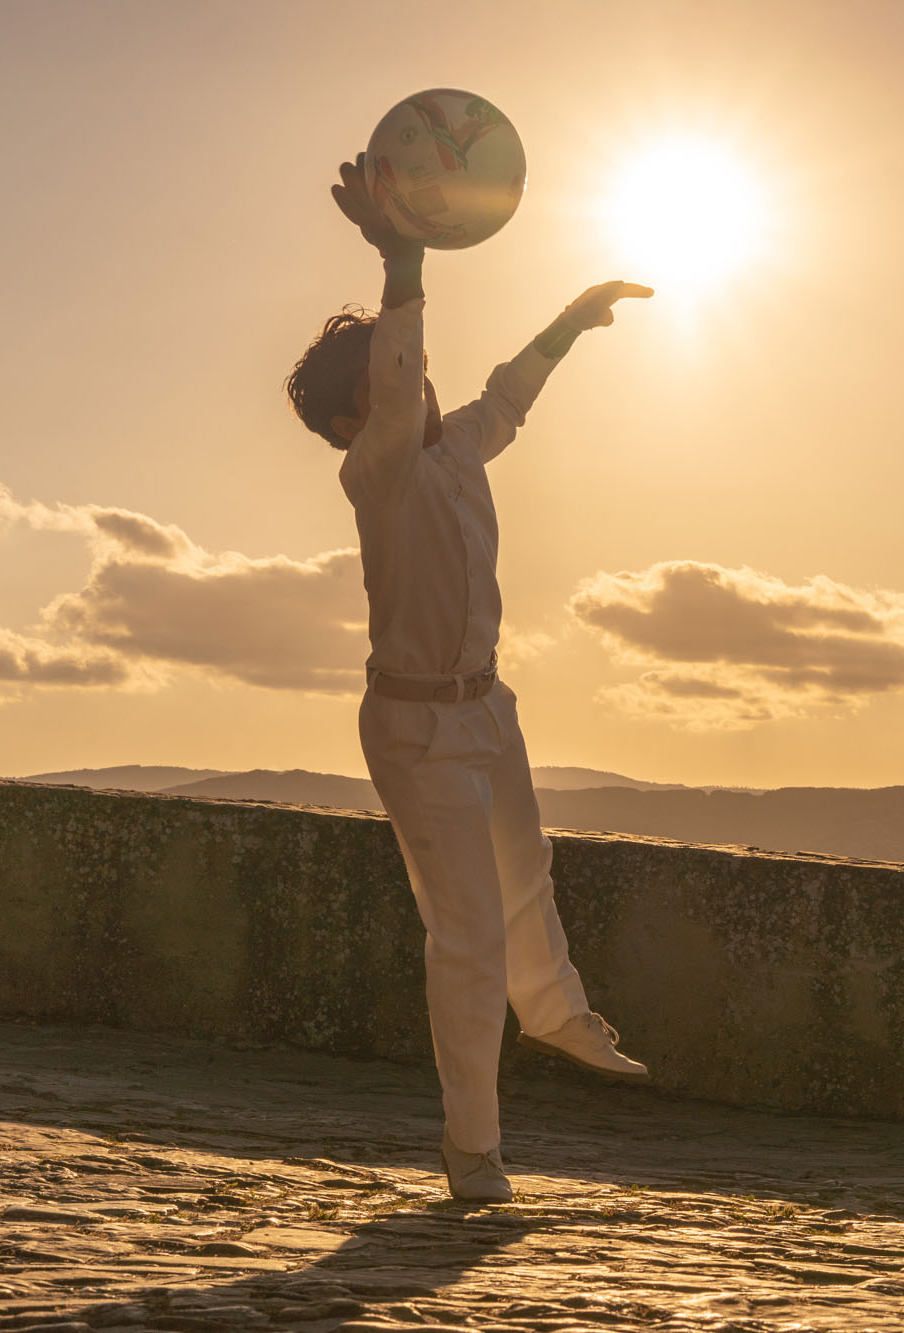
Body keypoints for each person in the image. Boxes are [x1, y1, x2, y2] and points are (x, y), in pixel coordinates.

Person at [284, 153, 653, 1204]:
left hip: (484, 705)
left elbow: (504, 394)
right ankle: (472, 1149)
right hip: (411, 728)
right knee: (468, 936)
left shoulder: (454, 451)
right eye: (389, 389)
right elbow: (403, 376)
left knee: (524, 871)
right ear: (355, 425)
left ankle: (558, 1015)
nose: (418, 387)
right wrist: (401, 259)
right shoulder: (379, 471)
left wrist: (571, 323)